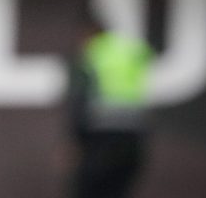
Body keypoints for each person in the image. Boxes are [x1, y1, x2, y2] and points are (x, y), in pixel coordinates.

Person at [66, 13, 154, 198]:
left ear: (89, 32)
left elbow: (80, 100)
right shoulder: (130, 50)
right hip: (134, 136)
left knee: (88, 190)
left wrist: (74, 141)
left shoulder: (92, 54)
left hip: (101, 138)